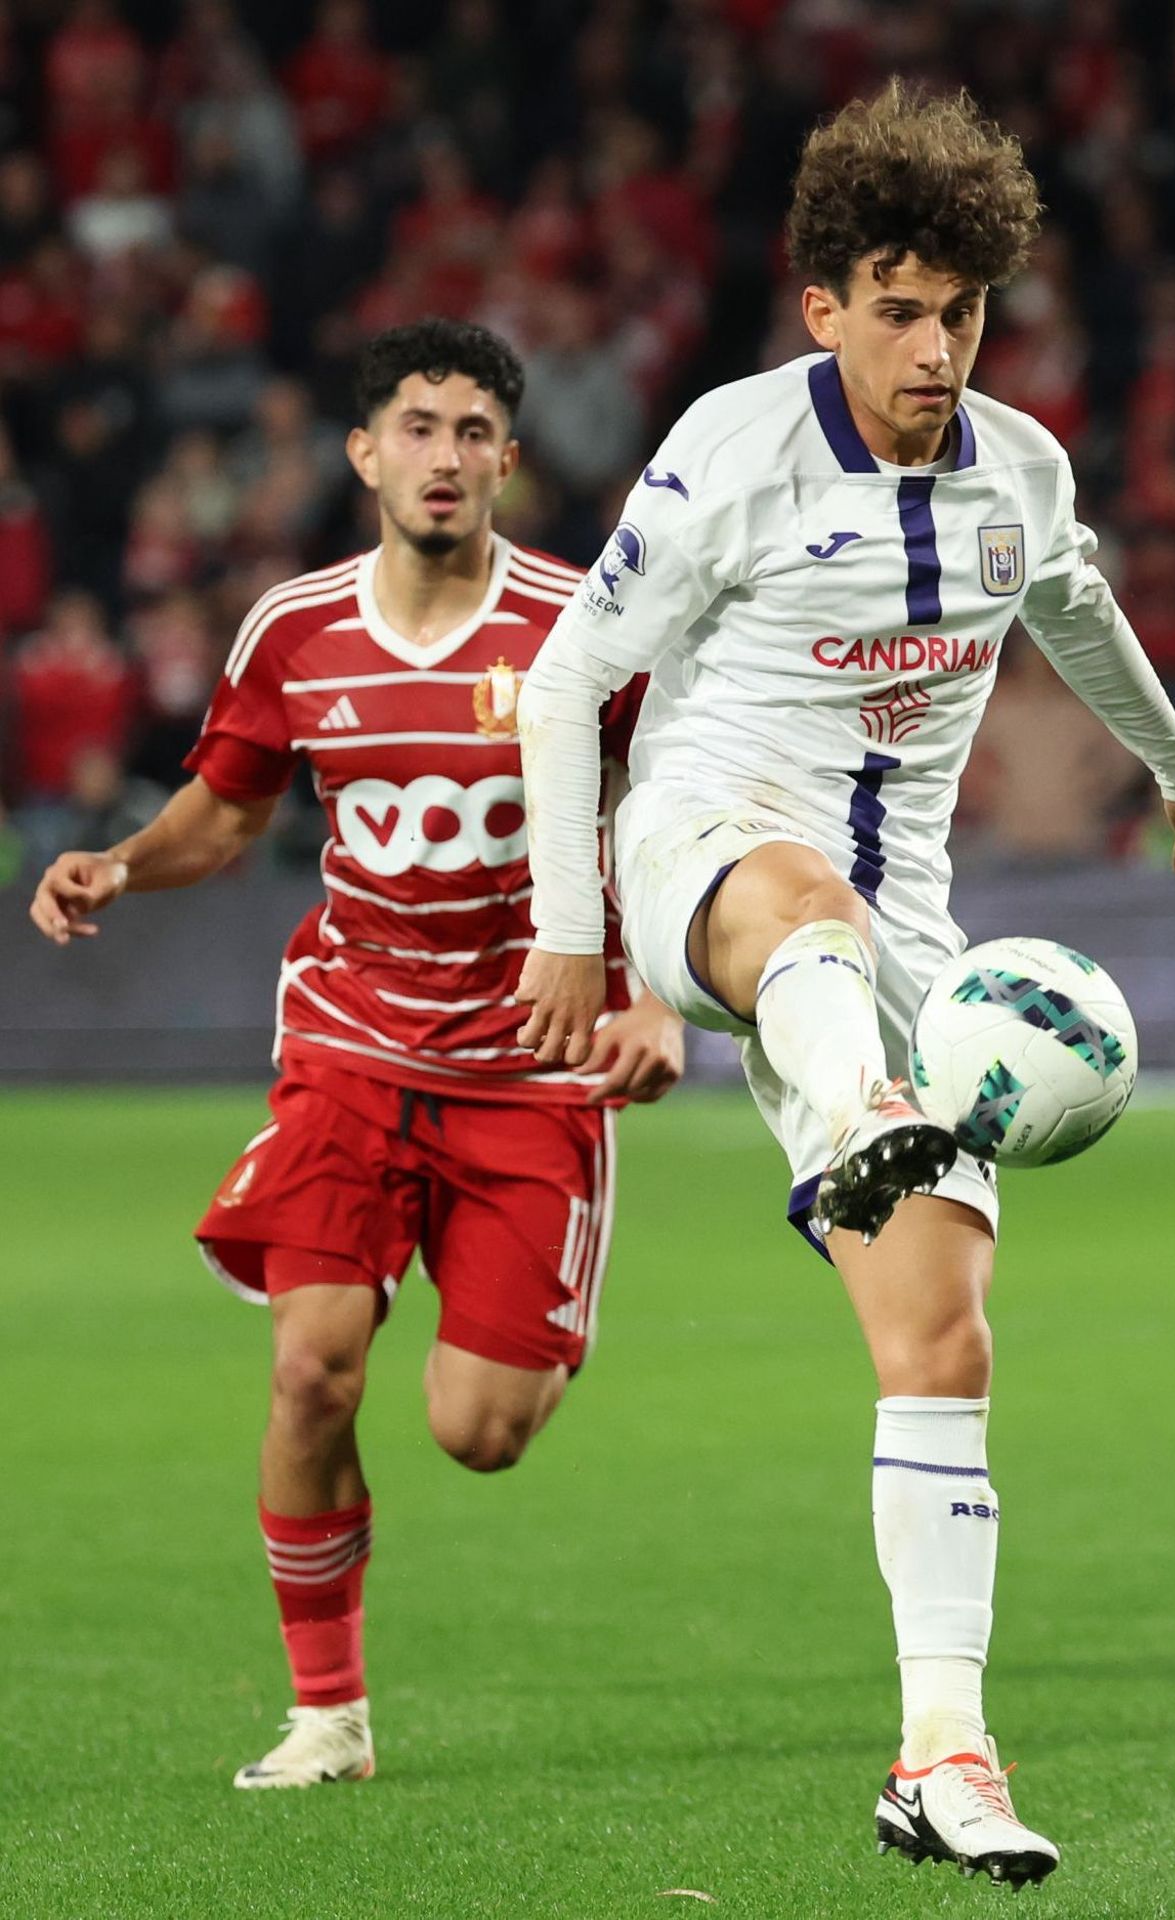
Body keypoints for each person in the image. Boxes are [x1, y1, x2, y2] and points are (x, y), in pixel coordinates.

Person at [510, 83, 1175, 1888]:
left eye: (967, 314)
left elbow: (1075, 607)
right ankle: (857, 1108)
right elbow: (560, 687)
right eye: (903, 311)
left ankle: (945, 1750)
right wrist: (568, 930)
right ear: (824, 307)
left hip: (903, 934)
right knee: (812, 915)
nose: (938, 349)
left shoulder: (1021, 469)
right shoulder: (727, 451)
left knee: (939, 1345)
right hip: (709, 851)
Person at [28, 320, 684, 1791]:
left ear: (509, 459)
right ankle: (328, 1712)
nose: (443, 455)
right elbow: (229, 810)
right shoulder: (294, 628)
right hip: (349, 1040)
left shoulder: (587, 628)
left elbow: (671, 810)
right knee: (313, 1373)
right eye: (417, 426)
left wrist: (658, 1000)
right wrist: (122, 864)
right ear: (363, 451)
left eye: (471, 431)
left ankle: (530, 1297)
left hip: (533, 1058)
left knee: (480, 1432)